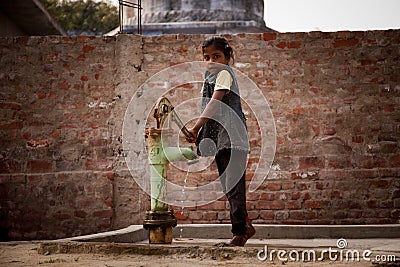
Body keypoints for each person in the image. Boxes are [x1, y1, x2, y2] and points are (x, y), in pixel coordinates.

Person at [185, 36, 255, 246]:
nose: (211, 61)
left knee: (234, 186)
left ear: (226, 57)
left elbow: (215, 102)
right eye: (206, 57)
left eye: (216, 56)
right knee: (228, 186)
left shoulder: (224, 74)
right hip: (222, 138)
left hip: (232, 137)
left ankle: (239, 233)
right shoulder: (209, 77)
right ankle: (246, 225)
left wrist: (196, 127)